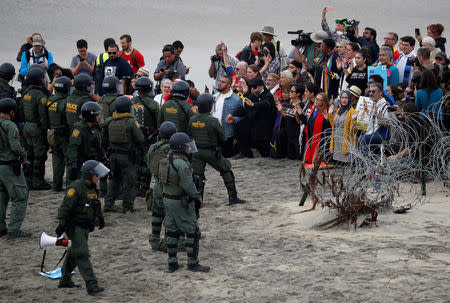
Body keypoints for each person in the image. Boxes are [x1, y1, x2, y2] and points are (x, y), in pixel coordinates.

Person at [158, 132, 210, 273]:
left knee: (172, 231)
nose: (189, 148)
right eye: (187, 146)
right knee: (192, 231)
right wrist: (198, 197)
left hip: (167, 199)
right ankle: (193, 263)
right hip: (180, 202)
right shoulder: (182, 164)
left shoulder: (165, 160)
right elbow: (188, 185)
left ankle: (172, 263)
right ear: (182, 147)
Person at [55, 160, 108, 295]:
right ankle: (92, 285)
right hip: (75, 227)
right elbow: (65, 207)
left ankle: (65, 280)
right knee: (82, 254)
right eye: (97, 175)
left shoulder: (92, 188)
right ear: (89, 175)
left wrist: (100, 218)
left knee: (74, 254)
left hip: (85, 227)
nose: (99, 177)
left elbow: (95, 204)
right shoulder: (75, 188)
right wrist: (61, 224)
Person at [189, 93, 246, 205]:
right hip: (211, 152)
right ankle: (233, 198)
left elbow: (190, 134)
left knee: (198, 176)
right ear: (209, 106)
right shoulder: (213, 121)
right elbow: (223, 137)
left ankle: (198, 200)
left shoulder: (192, 119)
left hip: (196, 152)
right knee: (226, 171)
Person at [102, 96, 145, 213]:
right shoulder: (131, 122)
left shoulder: (109, 121)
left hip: (113, 156)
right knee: (129, 181)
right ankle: (127, 206)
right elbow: (140, 139)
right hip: (127, 157)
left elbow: (103, 140)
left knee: (114, 179)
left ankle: (108, 203)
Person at [0, 98, 31, 239]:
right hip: (9, 166)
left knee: (1, 197)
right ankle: (14, 229)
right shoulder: (10, 126)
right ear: (12, 112)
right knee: (20, 195)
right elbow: (15, 147)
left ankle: (1, 227)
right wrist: (24, 156)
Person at [226, 77, 277, 158]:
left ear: (261, 86)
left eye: (254, 87)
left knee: (264, 152)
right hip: (252, 122)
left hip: (264, 126)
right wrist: (233, 115)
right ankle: (245, 152)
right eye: (251, 87)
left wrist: (254, 105)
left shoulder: (267, 95)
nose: (252, 89)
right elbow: (244, 108)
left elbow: (266, 104)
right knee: (240, 125)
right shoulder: (252, 95)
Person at [147, 121, 177, 251]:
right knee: (172, 215)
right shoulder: (173, 149)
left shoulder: (152, 148)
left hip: (157, 185)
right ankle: (170, 242)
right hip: (169, 186)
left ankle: (154, 239)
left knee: (156, 213)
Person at [21, 68, 51, 190]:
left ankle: (28, 180)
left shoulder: (25, 93)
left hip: (27, 126)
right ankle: (38, 181)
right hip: (37, 128)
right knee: (40, 155)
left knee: (29, 154)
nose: (45, 79)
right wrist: (46, 129)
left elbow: (21, 110)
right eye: (43, 77)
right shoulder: (41, 96)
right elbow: (43, 116)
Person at [131, 77, 160, 197]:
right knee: (147, 162)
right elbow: (160, 122)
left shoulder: (131, 101)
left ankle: (135, 186)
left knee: (135, 162)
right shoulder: (153, 104)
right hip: (149, 137)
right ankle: (144, 188)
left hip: (134, 137)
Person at [67, 102, 104, 182]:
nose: (99, 116)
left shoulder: (95, 127)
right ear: (91, 116)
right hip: (82, 162)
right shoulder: (79, 129)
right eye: (97, 115)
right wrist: (73, 166)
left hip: (93, 160)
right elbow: (72, 148)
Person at [47, 76, 72, 191]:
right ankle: (69, 185)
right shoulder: (65, 102)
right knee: (69, 160)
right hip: (64, 134)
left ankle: (56, 186)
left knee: (56, 160)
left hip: (52, 133)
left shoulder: (50, 99)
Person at [358, 83, 394, 156]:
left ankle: (363, 163)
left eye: (373, 91)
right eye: (370, 91)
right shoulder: (374, 104)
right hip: (373, 133)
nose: (371, 93)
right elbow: (372, 118)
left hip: (382, 135)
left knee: (363, 139)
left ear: (381, 93)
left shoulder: (385, 105)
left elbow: (386, 123)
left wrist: (377, 115)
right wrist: (366, 108)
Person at [212, 76, 243, 157]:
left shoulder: (237, 99)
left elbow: (243, 116)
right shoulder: (214, 97)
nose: (220, 83)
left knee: (225, 155)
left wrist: (234, 119)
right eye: (220, 81)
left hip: (227, 133)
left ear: (229, 85)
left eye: (223, 82)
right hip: (213, 131)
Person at [299, 92, 331, 164]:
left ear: (323, 102)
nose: (316, 101)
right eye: (316, 99)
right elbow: (309, 124)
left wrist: (327, 120)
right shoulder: (314, 111)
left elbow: (328, 128)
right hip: (311, 138)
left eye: (319, 100)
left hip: (320, 141)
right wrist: (301, 114)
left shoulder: (325, 112)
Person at [328, 90, 356, 164]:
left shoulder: (352, 112)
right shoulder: (338, 110)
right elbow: (334, 125)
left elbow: (352, 131)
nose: (344, 100)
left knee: (345, 166)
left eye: (346, 98)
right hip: (337, 141)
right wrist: (330, 115)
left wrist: (354, 120)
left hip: (345, 142)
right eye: (342, 97)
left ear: (349, 99)